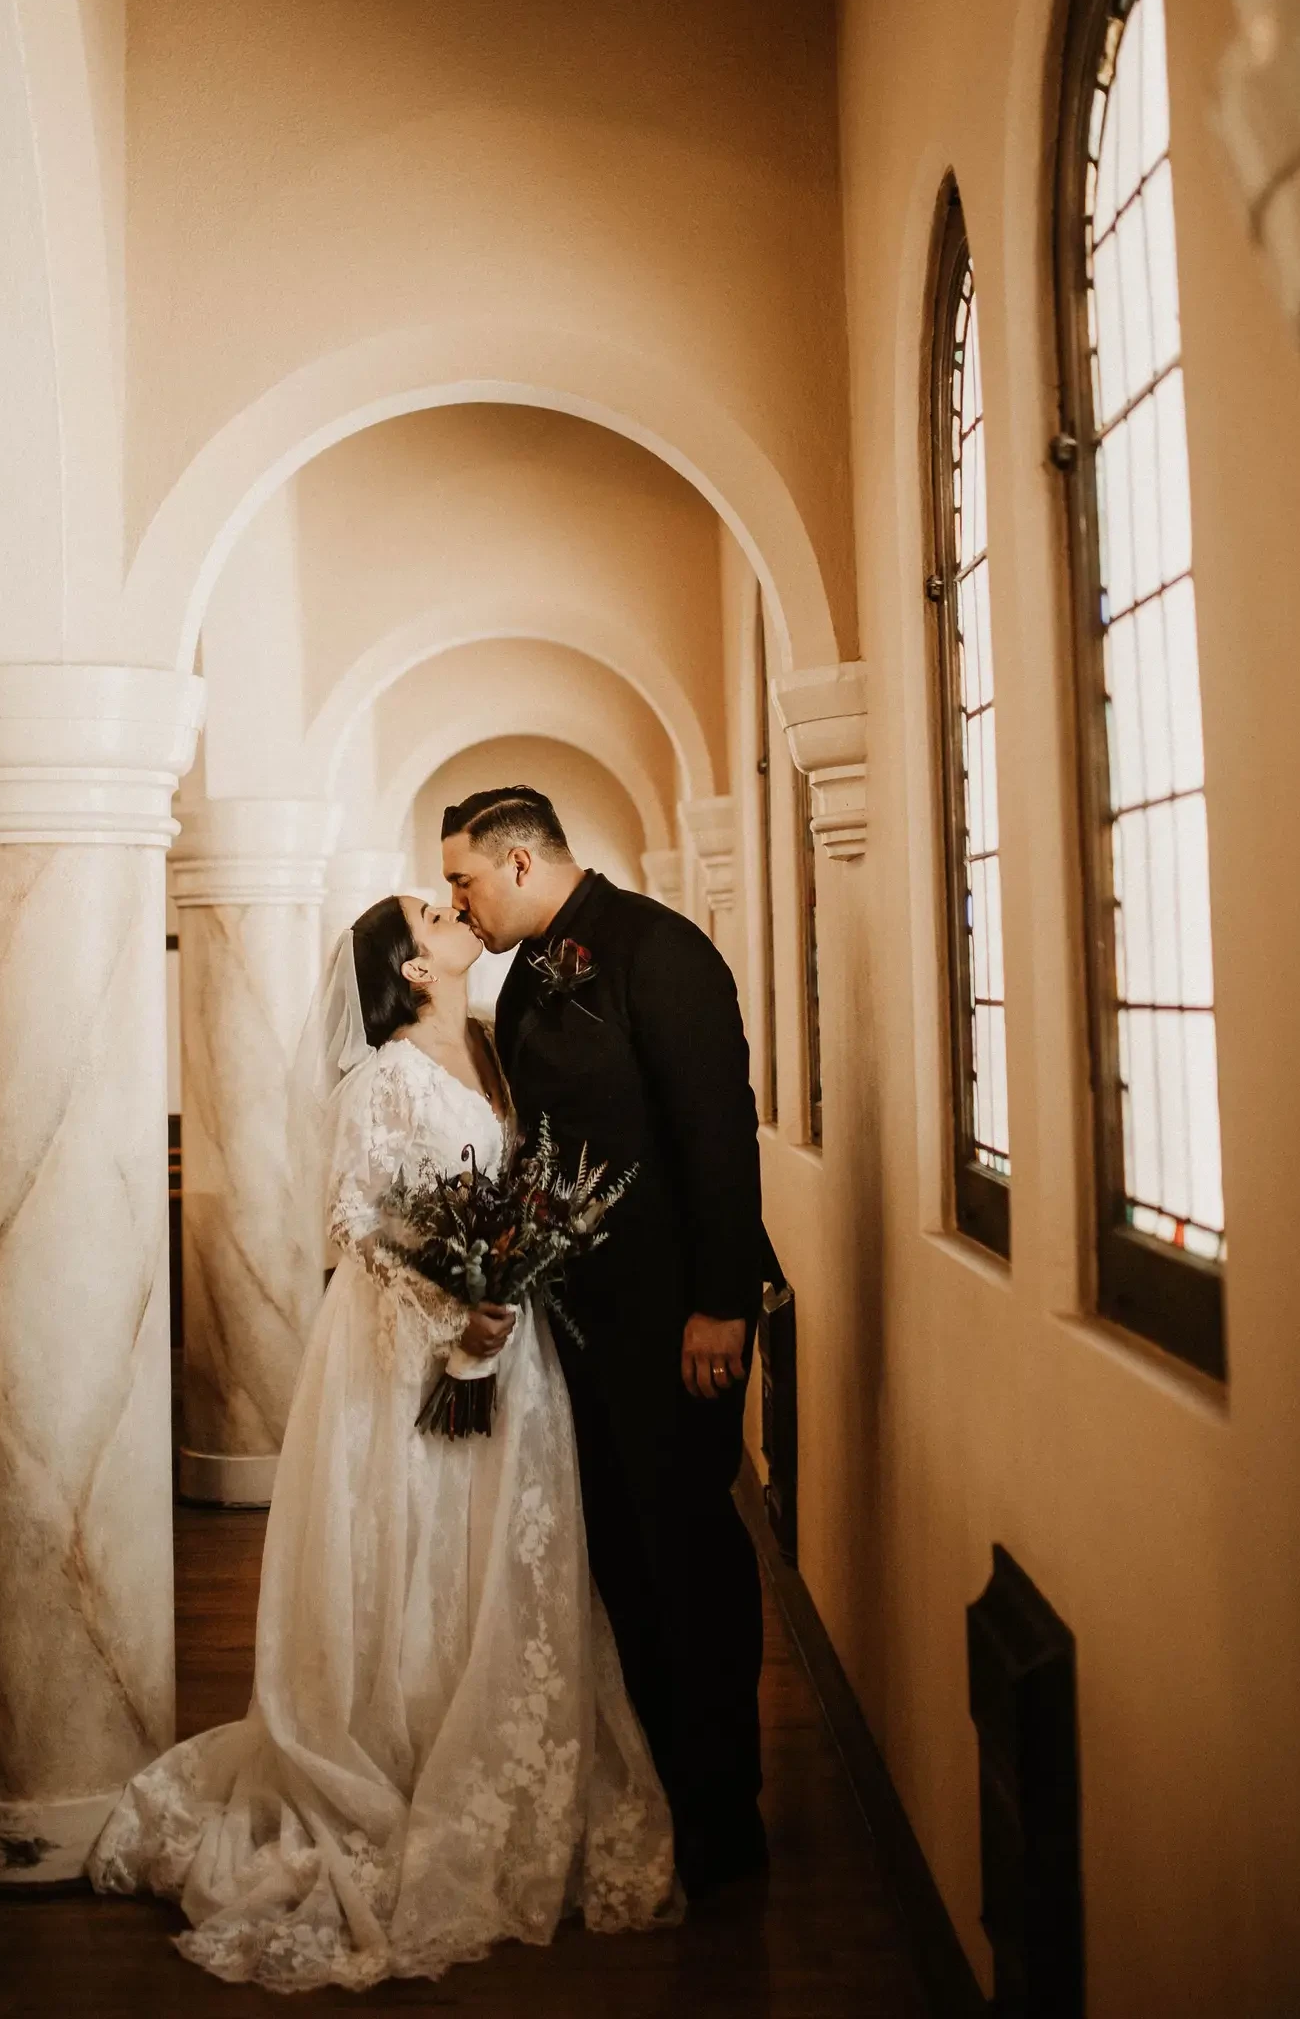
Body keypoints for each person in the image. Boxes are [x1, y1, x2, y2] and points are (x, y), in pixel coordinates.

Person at [88, 892, 674, 1990]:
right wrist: (456, 1311)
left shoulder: (498, 1052)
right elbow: (359, 1222)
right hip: (408, 1354)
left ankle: (494, 1748)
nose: (455, 910)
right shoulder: (387, 1075)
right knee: (415, 1546)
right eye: (432, 909)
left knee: (499, 1551)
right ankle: (393, 1753)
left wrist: (507, 1295)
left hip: (512, 1348)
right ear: (409, 969)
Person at [442, 785, 779, 1899]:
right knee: (621, 1557)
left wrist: (720, 1300)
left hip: (677, 1320)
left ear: (525, 861)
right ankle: (659, 1785)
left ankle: (725, 1816)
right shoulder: (527, 974)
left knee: (687, 1550)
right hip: (578, 1323)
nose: (459, 899)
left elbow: (716, 1133)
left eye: (465, 879)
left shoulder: (660, 953)